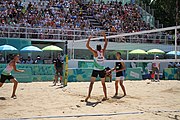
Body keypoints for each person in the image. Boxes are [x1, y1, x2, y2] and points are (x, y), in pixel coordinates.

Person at [85, 32, 108, 102]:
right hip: (102, 70)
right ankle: (106, 96)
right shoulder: (103, 52)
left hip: (96, 70)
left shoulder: (95, 53)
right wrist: (104, 36)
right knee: (103, 84)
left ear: (96, 49)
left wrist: (89, 39)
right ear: (100, 48)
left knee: (91, 83)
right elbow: (106, 43)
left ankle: (88, 95)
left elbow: (87, 46)